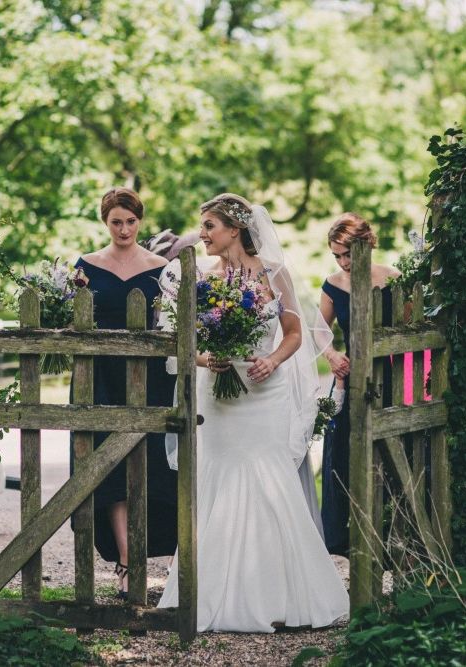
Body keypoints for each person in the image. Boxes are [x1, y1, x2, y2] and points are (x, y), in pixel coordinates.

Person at [157, 193, 348, 632]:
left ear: (235, 229)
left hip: (265, 390)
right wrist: (208, 360)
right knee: (218, 478)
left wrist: (273, 360)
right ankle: (212, 592)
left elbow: (296, 331)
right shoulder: (199, 277)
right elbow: (181, 343)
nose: (201, 235)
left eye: (209, 226)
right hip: (218, 396)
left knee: (269, 480)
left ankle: (280, 594)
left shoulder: (274, 273)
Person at [70, 187, 177, 598]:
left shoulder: (161, 268)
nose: (124, 229)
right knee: (110, 468)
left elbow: (171, 322)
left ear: (140, 221)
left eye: (131, 221)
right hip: (101, 378)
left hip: (152, 378)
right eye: (116, 221)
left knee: (153, 465)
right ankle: (128, 562)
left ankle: (163, 560)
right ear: (105, 222)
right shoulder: (86, 267)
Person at [319, 212, 400, 557]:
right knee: (345, 456)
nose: (342, 262)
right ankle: (347, 539)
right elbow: (316, 332)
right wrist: (333, 357)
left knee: (392, 458)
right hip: (352, 382)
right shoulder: (333, 285)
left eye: (347, 254)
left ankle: (394, 535)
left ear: (366, 243)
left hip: (393, 378)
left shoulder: (393, 277)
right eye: (336, 255)